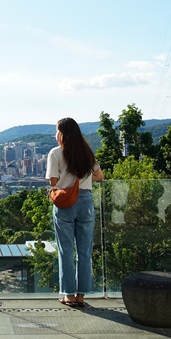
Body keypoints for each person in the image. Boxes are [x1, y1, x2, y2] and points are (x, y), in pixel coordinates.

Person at [46, 116, 104, 307]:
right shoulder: (86, 152)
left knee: (66, 250)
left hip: (65, 204)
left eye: (57, 131)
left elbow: (53, 182)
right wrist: (83, 182)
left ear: (62, 134)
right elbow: (100, 176)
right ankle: (81, 295)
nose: (56, 134)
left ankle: (68, 295)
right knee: (84, 251)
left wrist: (67, 182)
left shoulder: (55, 153)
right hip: (86, 202)